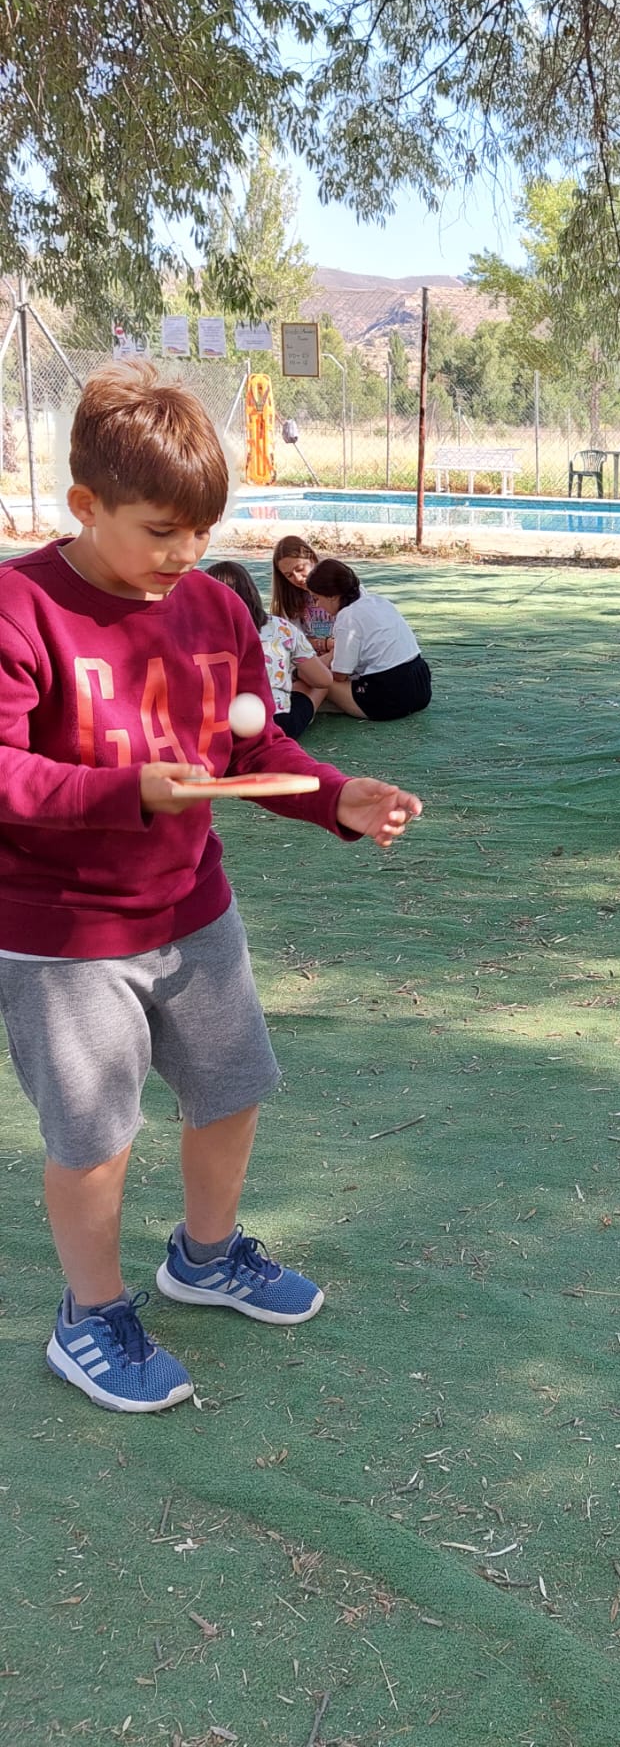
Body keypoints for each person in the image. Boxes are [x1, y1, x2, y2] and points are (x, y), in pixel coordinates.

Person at [0, 361, 422, 1413]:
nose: (185, 554)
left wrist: (336, 797)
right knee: (94, 1137)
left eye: (201, 531)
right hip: (63, 932)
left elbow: (254, 746)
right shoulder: (20, 607)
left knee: (231, 1091)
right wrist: (128, 789)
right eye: (159, 531)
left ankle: (206, 1255)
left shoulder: (213, 610)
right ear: (85, 503)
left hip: (195, 910)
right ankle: (90, 1313)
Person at [206, 559, 334, 739]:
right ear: (251, 592)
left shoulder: (194, 635)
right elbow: (323, 680)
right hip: (276, 723)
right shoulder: (281, 627)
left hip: (217, 726)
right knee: (313, 683)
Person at [304, 559, 432, 721]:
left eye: (316, 598)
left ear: (332, 596)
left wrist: (322, 661)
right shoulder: (379, 601)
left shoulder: (347, 618)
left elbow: (339, 675)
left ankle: (300, 711)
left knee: (320, 680)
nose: (317, 605)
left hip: (389, 696)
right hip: (421, 685)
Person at [272, 535, 334, 660]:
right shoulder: (290, 598)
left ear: (312, 558)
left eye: (300, 569)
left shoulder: (342, 583)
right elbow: (292, 639)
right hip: (310, 660)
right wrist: (325, 644)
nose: (298, 578)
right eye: (289, 575)